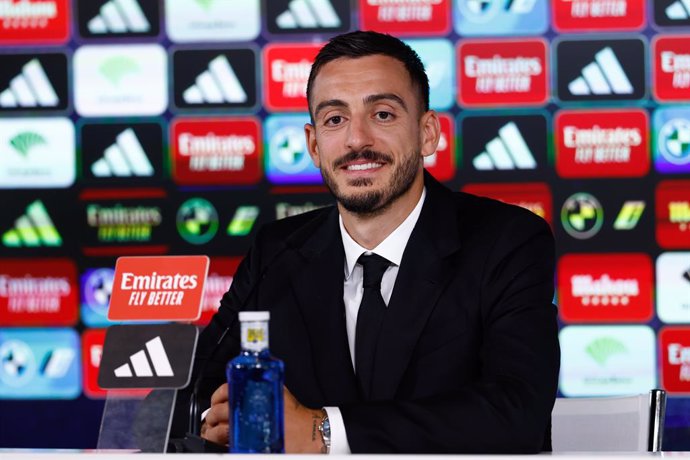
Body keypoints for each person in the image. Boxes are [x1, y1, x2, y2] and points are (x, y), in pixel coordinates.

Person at [171, 30, 560, 453]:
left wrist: (323, 431)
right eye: (335, 119)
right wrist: (221, 419)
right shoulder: (278, 249)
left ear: (428, 132)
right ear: (314, 145)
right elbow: (203, 384)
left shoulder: (507, 240)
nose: (357, 140)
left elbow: (517, 411)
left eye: (383, 114)